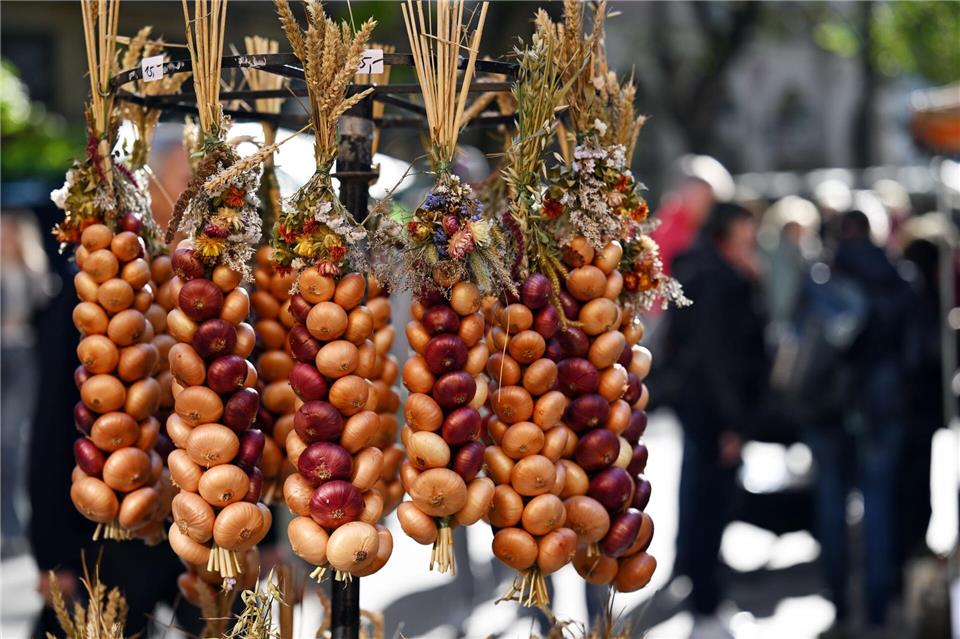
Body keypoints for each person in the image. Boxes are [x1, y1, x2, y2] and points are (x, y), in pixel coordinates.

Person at [805, 210, 915, 638]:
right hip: (882, 405)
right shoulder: (897, 277)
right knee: (879, 503)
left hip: (829, 405)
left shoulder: (821, 280)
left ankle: (838, 600)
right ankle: (876, 606)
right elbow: (913, 346)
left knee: (833, 502)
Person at [665, 203, 768, 629]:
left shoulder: (700, 268)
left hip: (700, 404)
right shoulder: (719, 278)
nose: (752, 236)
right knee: (712, 500)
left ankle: (696, 577)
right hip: (715, 409)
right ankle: (706, 596)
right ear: (728, 231)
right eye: (746, 228)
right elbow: (719, 356)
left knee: (700, 494)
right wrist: (734, 422)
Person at [650, 176, 715, 275]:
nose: (708, 210)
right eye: (705, 202)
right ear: (689, 196)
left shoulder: (690, 227)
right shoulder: (669, 227)